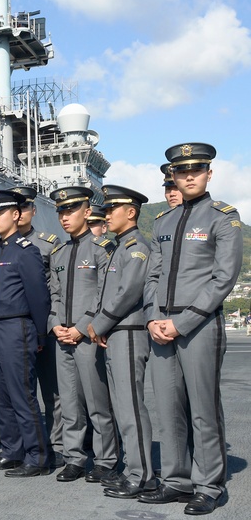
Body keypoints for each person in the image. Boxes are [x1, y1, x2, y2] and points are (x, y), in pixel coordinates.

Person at [141, 143, 242, 515]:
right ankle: (176, 480)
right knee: (169, 409)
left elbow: (223, 278)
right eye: (181, 171)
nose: (188, 176)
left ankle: (209, 484)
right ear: (174, 176)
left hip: (197, 325)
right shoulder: (164, 222)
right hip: (160, 325)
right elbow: (152, 276)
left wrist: (181, 322)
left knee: (203, 409)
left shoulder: (223, 217)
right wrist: (153, 317)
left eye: (195, 170)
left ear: (208, 174)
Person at [86, 185, 155, 499]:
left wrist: (98, 324)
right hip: (115, 333)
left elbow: (129, 292)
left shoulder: (136, 247)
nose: (107, 214)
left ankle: (141, 475)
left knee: (130, 408)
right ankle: (133, 470)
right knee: (121, 407)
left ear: (131, 212)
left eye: (113, 208)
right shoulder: (117, 247)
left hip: (128, 333)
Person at [48, 186, 118, 484]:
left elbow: (104, 294)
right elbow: (54, 293)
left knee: (96, 399)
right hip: (62, 336)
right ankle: (74, 457)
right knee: (69, 401)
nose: (65, 217)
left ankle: (105, 459)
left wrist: (80, 328)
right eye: (61, 211)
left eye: (71, 210)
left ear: (87, 212)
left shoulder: (103, 250)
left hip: (87, 336)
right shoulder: (58, 253)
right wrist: (54, 323)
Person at [0, 190, 51, 477]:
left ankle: (38, 456)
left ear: (16, 215)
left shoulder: (26, 251)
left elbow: (38, 297)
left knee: (22, 394)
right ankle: (13, 450)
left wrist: (40, 335)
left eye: (0, 213)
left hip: (17, 327)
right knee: (0, 395)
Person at [9, 185, 62, 460]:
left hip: (42, 326)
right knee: (15, 389)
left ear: (32, 210)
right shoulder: (1, 247)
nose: (19, 214)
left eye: (25, 208)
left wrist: (49, 324)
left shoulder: (48, 243)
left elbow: (55, 288)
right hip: (15, 329)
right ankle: (20, 445)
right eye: (14, 209)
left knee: (50, 389)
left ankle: (57, 445)